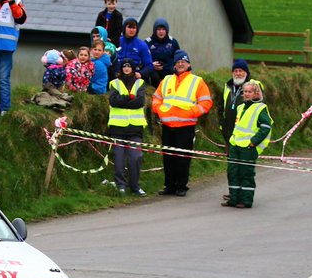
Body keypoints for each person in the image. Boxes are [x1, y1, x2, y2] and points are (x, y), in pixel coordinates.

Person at [152, 50, 212, 196]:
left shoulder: (197, 81)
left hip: (186, 127)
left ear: (188, 64)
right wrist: (160, 111)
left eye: (183, 62)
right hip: (167, 126)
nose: (180, 64)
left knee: (182, 158)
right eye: (178, 62)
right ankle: (169, 185)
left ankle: (181, 186)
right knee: (168, 157)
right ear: (174, 64)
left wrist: (191, 112)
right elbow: (156, 98)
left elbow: (206, 103)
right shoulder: (166, 80)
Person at [223, 81, 273, 208]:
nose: (246, 94)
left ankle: (246, 200)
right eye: (245, 91)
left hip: (248, 148)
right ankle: (233, 199)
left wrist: (254, 142)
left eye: (249, 92)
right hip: (235, 145)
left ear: (256, 93)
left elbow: (266, 127)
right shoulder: (241, 107)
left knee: (246, 173)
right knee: (233, 172)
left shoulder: (261, 108)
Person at [106, 58, 147, 196]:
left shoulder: (140, 82)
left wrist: (123, 100)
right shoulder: (114, 83)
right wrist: (129, 98)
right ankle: (121, 185)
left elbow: (140, 102)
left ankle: (135, 186)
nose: (126, 68)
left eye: (129, 66)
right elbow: (113, 100)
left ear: (133, 68)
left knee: (135, 157)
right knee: (118, 158)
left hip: (135, 128)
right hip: (117, 127)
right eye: (124, 66)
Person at [219, 59, 262, 144]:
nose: (238, 73)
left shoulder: (254, 85)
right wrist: (222, 125)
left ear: (246, 73)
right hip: (229, 132)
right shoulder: (227, 86)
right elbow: (220, 107)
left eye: (241, 71)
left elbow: (260, 107)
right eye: (235, 71)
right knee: (230, 157)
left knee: (242, 157)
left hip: (246, 134)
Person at [114, 18, 153, 82]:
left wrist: (141, 73)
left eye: (134, 28)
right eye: (129, 27)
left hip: (134, 77)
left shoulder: (142, 45)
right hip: (117, 76)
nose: (131, 30)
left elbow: (149, 65)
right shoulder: (117, 41)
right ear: (124, 28)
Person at [146, 18, 181, 84]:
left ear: (166, 30)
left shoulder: (173, 42)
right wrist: (151, 64)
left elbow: (178, 57)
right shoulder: (148, 42)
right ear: (155, 30)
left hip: (169, 70)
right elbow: (143, 58)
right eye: (159, 29)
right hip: (154, 71)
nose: (161, 32)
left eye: (163, 29)